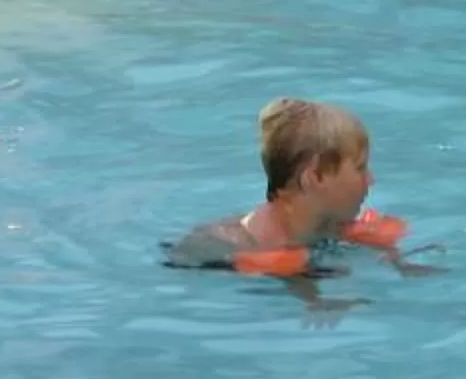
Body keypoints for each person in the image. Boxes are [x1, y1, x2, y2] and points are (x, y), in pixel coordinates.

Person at [167, 98, 438, 300]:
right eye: (359, 168)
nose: (370, 180)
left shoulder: (328, 223)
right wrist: (316, 296)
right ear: (314, 178)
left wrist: (399, 262)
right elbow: (291, 273)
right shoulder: (251, 245)